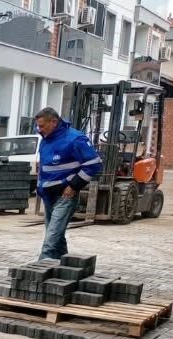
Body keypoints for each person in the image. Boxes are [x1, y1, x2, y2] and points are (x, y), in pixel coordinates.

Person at [34, 107, 102, 261]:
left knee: (50, 240)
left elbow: (94, 164)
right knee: (56, 235)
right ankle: (64, 267)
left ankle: (38, 271)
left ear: (54, 122)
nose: (39, 129)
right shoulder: (46, 140)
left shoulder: (75, 139)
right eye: (38, 126)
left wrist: (73, 186)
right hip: (48, 196)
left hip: (65, 195)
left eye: (42, 125)